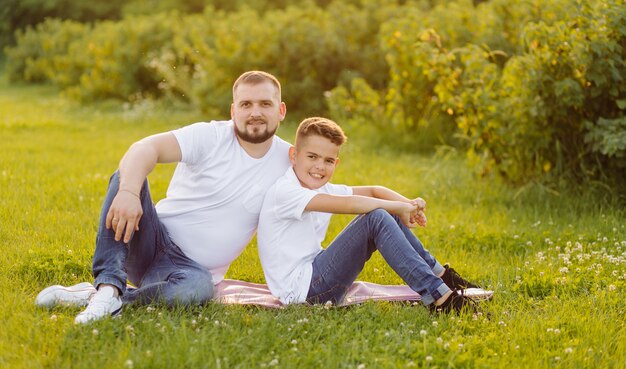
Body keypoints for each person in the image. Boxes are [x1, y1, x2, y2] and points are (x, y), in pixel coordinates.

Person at [35, 71, 291, 323]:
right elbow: (145, 148)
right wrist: (128, 193)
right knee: (126, 176)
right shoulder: (210, 136)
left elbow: (317, 196)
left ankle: (104, 297)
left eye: (265, 104)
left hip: (190, 274)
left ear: (280, 110)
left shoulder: (289, 161)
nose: (255, 112)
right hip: (150, 241)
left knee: (196, 290)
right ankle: (109, 285)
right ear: (233, 111)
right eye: (246, 104)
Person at [257, 117, 489, 313]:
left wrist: (407, 204)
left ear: (336, 162)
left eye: (328, 161)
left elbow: (374, 190)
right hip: (303, 292)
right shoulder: (285, 192)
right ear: (294, 155)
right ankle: (441, 298)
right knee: (377, 216)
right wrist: (398, 208)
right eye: (312, 157)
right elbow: (350, 204)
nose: (320, 166)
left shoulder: (318, 187)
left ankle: (443, 276)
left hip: (314, 275)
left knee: (384, 210)